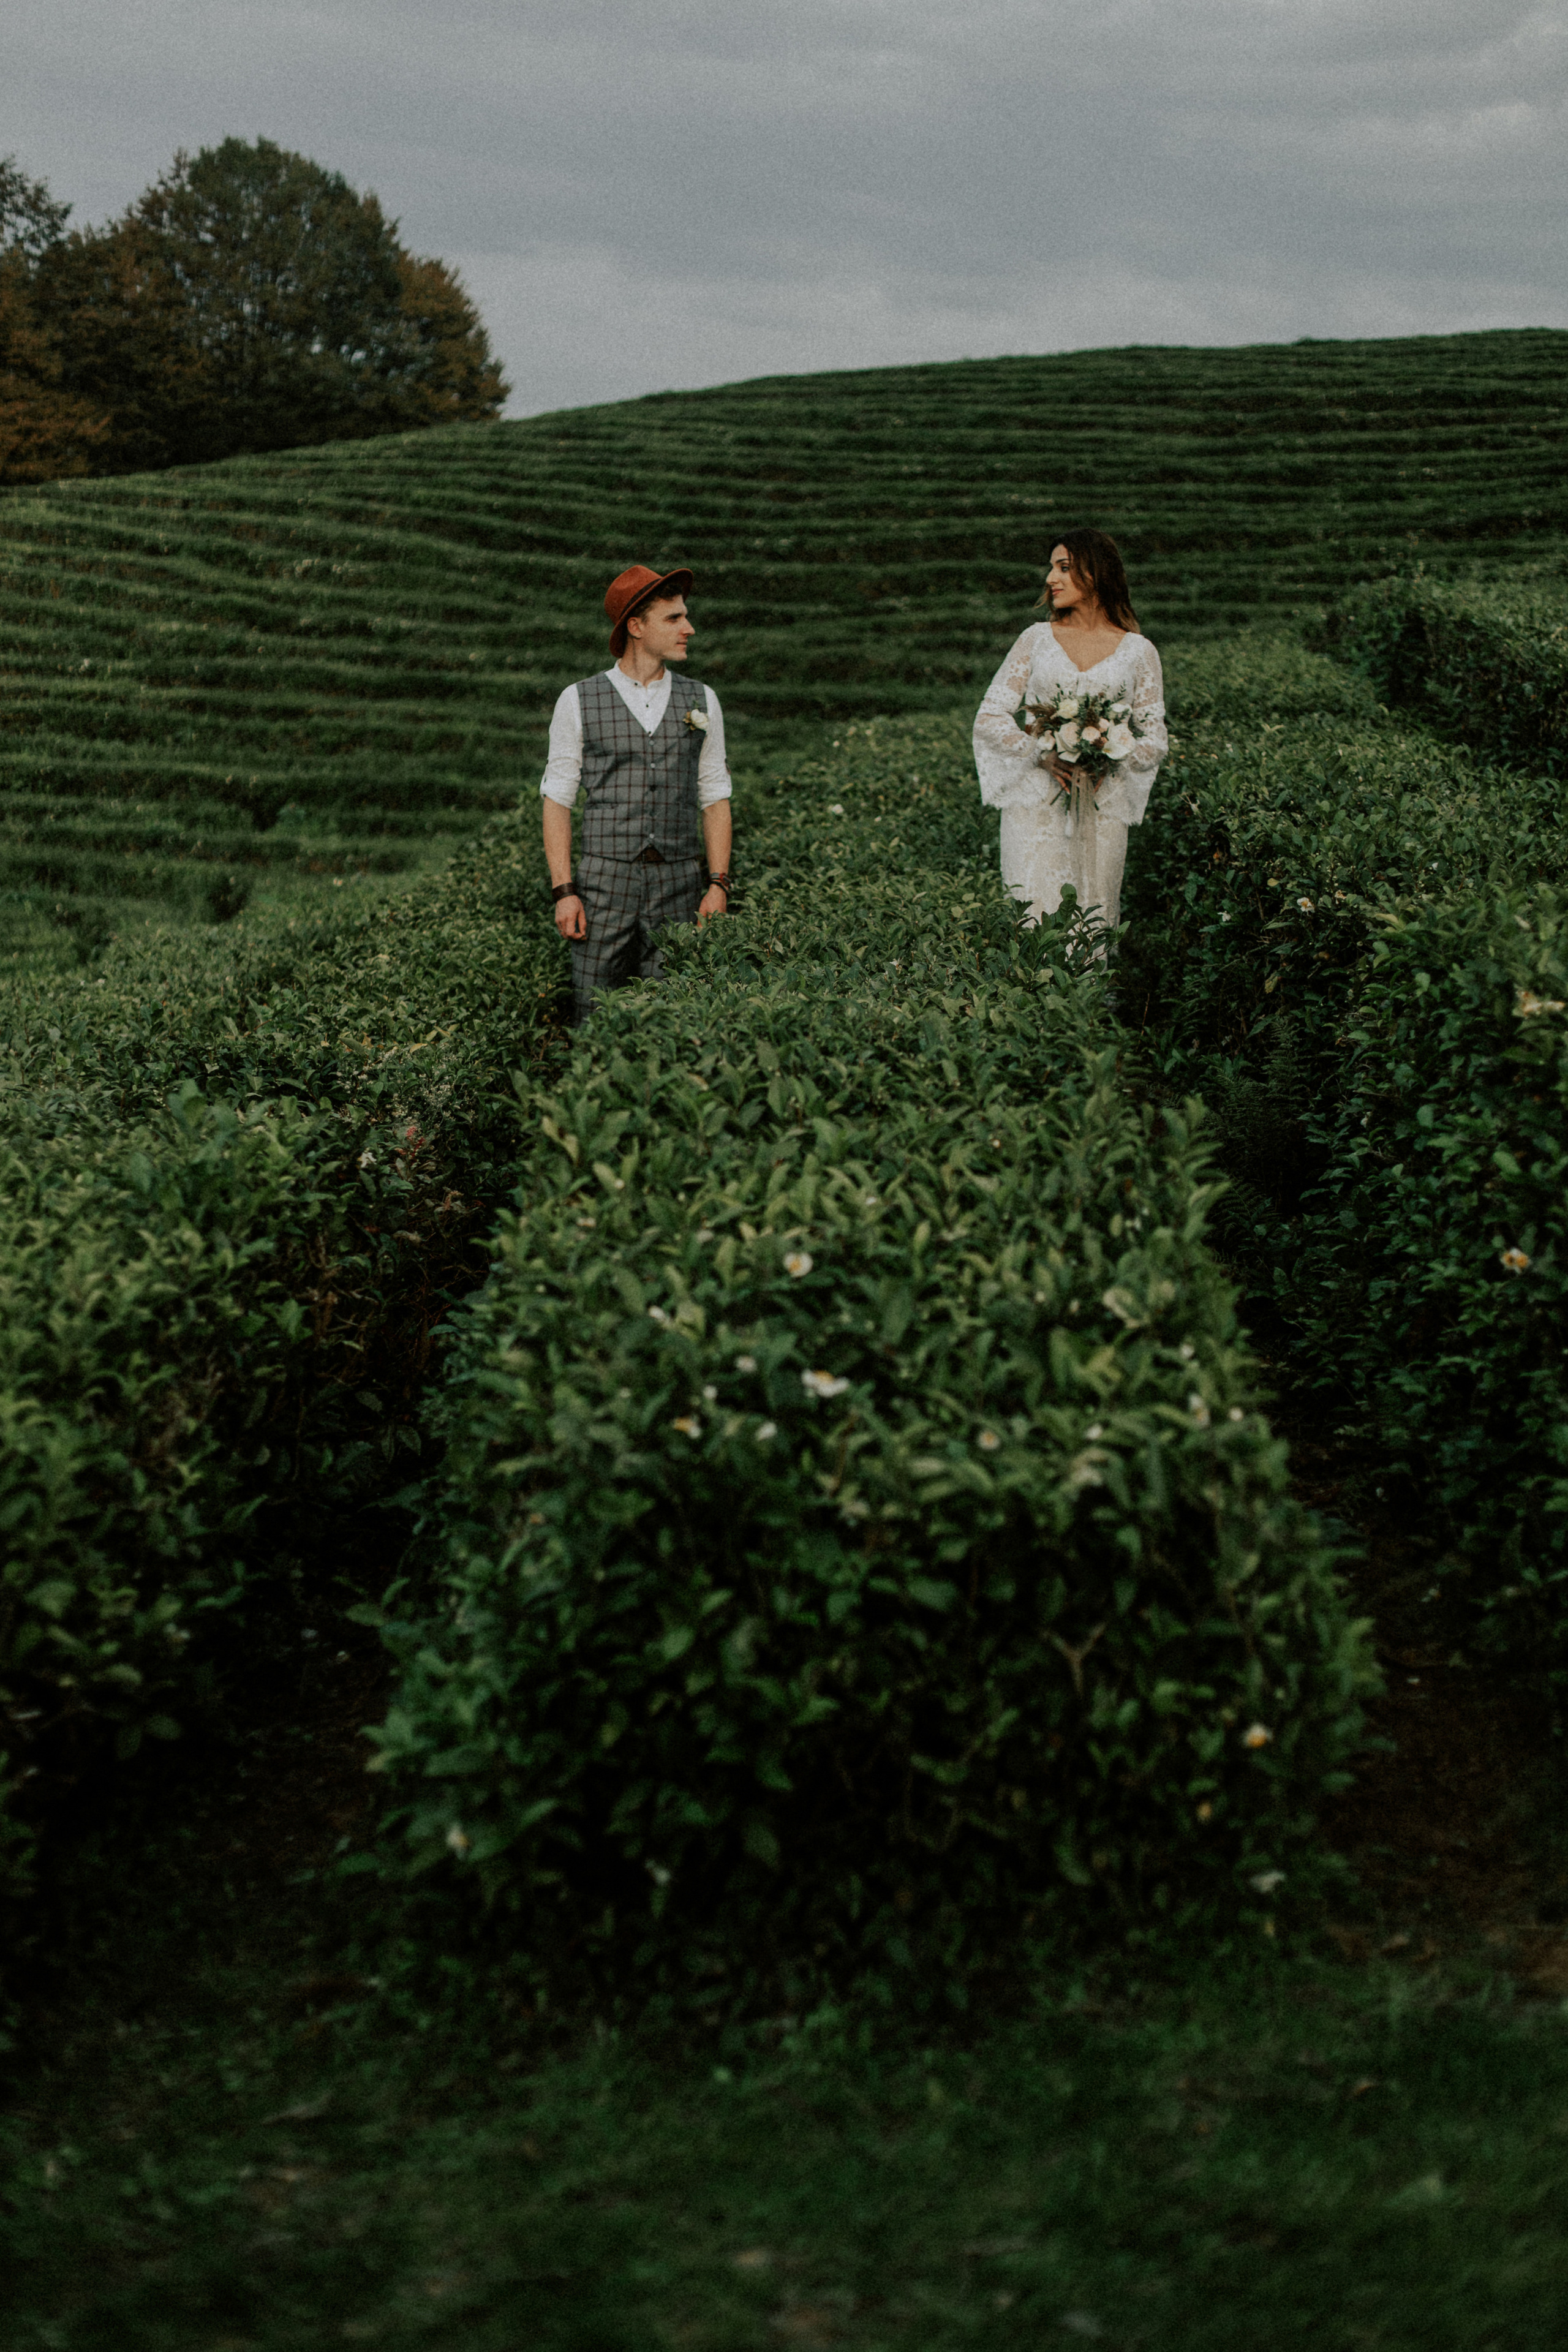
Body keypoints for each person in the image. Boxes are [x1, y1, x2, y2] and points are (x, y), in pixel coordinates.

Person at [541, 565, 734, 1026]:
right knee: (593, 1009)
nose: (689, 628)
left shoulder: (702, 699)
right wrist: (565, 892)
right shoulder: (578, 699)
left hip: (678, 882)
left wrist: (718, 884)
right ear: (636, 626)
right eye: (674, 619)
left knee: (677, 1013)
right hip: (604, 884)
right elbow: (557, 799)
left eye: (685, 616)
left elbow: (715, 795)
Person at [973, 530, 1166, 943]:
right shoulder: (1035, 640)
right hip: (1036, 807)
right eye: (1051, 567)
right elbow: (989, 716)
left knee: (1092, 919)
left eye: (1063, 568)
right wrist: (1039, 752)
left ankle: (1087, 1006)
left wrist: (1112, 754)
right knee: (1032, 920)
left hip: (1101, 808)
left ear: (1095, 574)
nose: (1050, 578)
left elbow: (1155, 739)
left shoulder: (1139, 652)